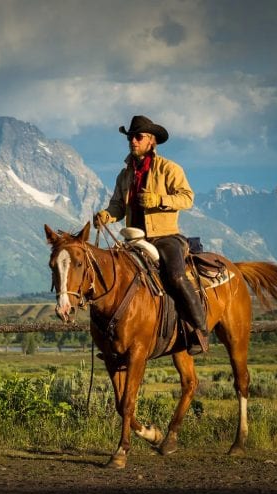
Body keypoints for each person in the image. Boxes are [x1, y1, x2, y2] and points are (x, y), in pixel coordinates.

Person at [94, 115, 209, 355]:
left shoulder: (169, 169)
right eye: (130, 137)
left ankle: (199, 329)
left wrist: (160, 200)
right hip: (133, 238)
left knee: (176, 277)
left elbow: (187, 197)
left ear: (151, 141)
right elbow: (117, 205)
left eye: (138, 137)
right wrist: (106, 215)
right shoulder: (124, 175)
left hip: (166, 236)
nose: (133, 141)